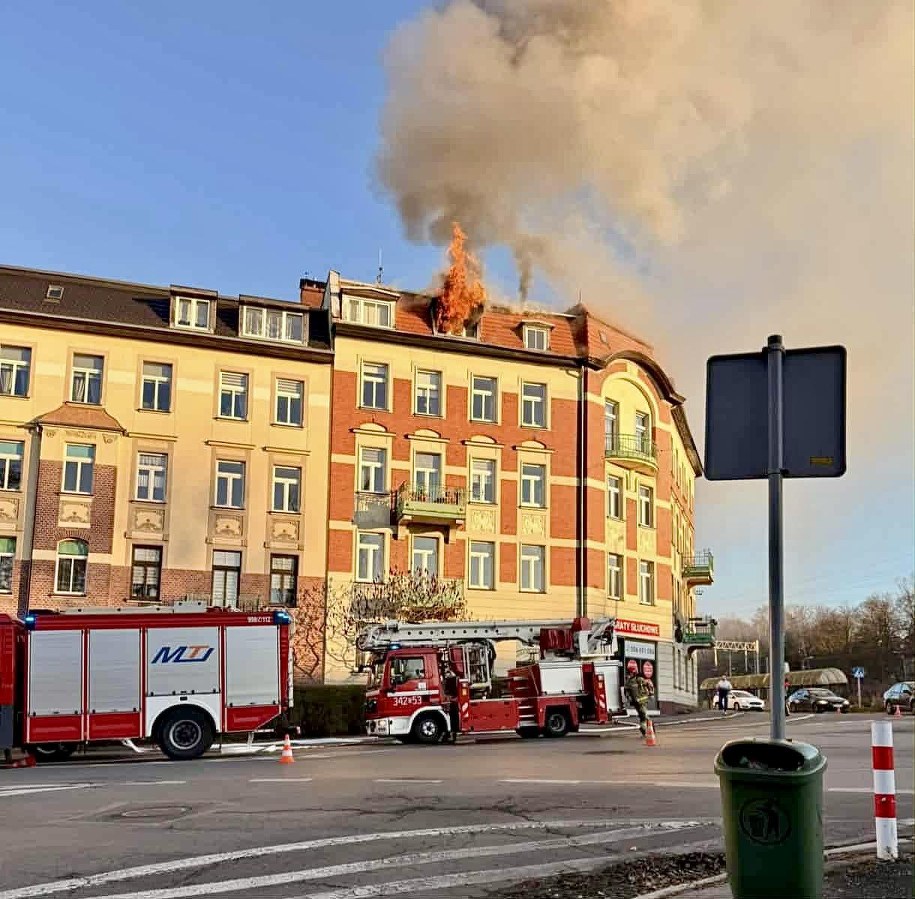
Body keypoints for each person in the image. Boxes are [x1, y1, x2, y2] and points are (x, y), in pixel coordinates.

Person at [624, 660, 655, 736]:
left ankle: (650, 727)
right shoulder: (628, 682)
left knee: (643, 714)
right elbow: (626, 691)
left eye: (630, 673)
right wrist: (628, 697)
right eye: (629, 673)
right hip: (636, 702)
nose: (629, 674)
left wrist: (651, 693)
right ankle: (644, 729)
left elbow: (649, 684)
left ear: (634, 673)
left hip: (642, 700)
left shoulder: (639, 680)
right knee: (641, 715)